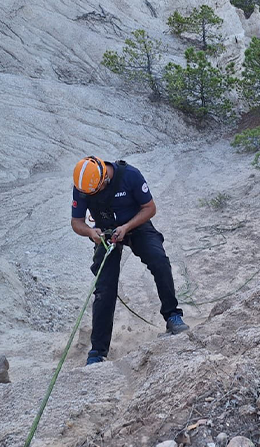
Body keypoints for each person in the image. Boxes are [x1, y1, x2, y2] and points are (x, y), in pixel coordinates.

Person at [70, 156, 189, 365]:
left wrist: (126, 227)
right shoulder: (83, 187)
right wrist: (90, 232)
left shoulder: (130, 175)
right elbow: (77, 222)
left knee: (159, 261)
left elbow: (149, 208)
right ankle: (97, 351)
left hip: (136, 225)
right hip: (105, 233)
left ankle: (172, 316)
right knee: (104, 288)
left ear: (104, 178)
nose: (94, 195)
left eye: (96, 191)